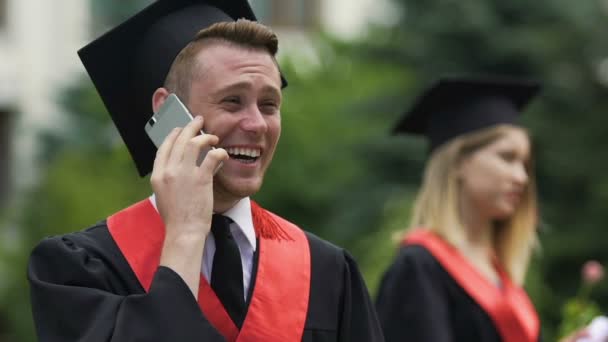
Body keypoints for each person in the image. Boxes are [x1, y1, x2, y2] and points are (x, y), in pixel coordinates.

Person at [27, 1, 384, 341]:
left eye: (269, 104)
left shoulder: (326, 271)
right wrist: (184, 235)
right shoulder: (80, 269)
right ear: (168, 112)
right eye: (233, 100)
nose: (257, 123)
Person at [375, 75, 543, 342]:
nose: (521, 177)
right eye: (506, 157)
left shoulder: (498, 270)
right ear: (457, 163)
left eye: (524, 163)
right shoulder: (419, 269)